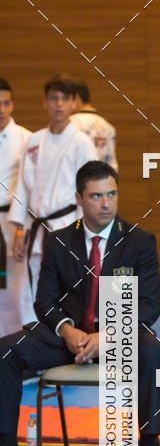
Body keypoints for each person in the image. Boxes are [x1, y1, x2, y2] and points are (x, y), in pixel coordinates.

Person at [0, 160, 160, 446]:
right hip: (70, 338)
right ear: (79, 198)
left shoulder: (139, 241)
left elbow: (150, 305)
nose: (106, 203)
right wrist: (67, 330)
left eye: (112, 194)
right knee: (6, 351)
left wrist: (109, 336)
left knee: (153, 351)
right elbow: (44, 302)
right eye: (96, 196)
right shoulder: (59, 240)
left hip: (119, 337)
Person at [6, 73, 97, 323]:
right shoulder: (34, 141)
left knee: (65, 289)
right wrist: (18, 231)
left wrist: (85, 233)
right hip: (35, 227)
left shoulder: (82, 143)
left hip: (67, 225)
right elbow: (24, 188)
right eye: (54, 98)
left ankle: (62, 342)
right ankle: (30, 343)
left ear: (74, 103)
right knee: (27, 289)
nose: (59, 104)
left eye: (65, 99)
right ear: (44, 102)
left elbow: (89, 192)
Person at [0, 78, 31, 336]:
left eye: (6, 103)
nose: (1, 109)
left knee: (15, 288)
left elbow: (27, 186)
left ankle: (15, 345)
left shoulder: (26, 139)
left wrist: (21, 229)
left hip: (11, 220)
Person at [72, 78, 118, 170]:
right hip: (103, 181)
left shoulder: (70, 124)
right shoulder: (108, 127)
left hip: (77, 181)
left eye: (66, 98)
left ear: (76, 98)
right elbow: (112, 165)